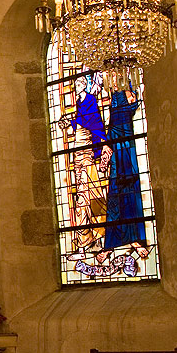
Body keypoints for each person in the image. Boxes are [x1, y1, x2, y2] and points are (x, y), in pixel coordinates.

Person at [95, 85, 149, 269]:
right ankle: (110, 245)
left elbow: (134, 103)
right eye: (130, 96)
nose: (133, 99)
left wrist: (130, 91)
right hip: (117, 163)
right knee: (115, 200)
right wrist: (105, 156)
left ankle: (134, 239)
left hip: (127, 158)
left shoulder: (126, 111)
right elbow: (109, 137)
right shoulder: (117, 111)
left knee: (130, 197)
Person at [60, 73, 112, 253]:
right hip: (78, 147)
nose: (76, 87)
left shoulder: (89, 100)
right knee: (81, 196)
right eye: (76, 84)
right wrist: (69, 122)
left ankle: (99, 234)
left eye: (79, 84)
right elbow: (81, 121)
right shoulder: (79, 102)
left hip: (87, 148)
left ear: (84, 85)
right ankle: (85, 238)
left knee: (92, 191)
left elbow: (94, 122)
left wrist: (73, 122)